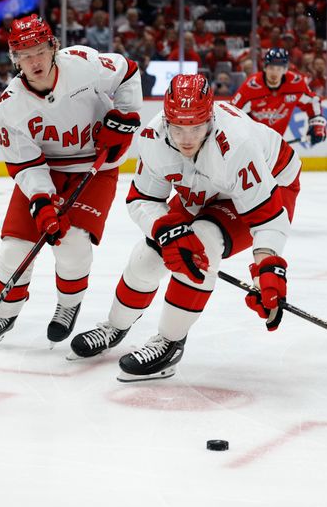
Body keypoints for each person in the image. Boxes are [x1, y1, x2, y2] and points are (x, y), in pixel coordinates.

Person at [68, 74, 302, 381]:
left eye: (196, 127)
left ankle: (170, 342)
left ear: (211, 119)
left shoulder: (237, 145)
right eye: (178, 128)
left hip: (273, 184)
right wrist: (166, 231)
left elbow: (267, 217)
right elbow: (142, 199)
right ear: (166, 121)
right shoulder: (153, 138)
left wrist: (269, 269)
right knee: (148, 253)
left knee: (203, 244)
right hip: (205, 187)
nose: (186, 138)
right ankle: (115, 326)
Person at [0, 14, 142, 348]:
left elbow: (128, 72)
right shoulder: (10, 105)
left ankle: (68, 305)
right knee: (13, 250)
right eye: (24, 53)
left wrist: (126, 116)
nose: (33, 60)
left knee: (74, 245)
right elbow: (26, 164)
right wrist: (41, 202)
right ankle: (5, 309)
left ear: (54, 47)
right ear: (14, 59)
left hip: (96, 168)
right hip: (45, 170)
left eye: (39, 50)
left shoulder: (84, 64)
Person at [231, 48, 327, 145]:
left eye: (279, 69)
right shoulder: (251, 86)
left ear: (285, 69)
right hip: (251, 142)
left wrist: (317, 124)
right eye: (271, 68)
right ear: (265, 68)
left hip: (275, 143)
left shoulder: (295, 84)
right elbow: (231, 113)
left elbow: (312, 102)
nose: (274, 73)